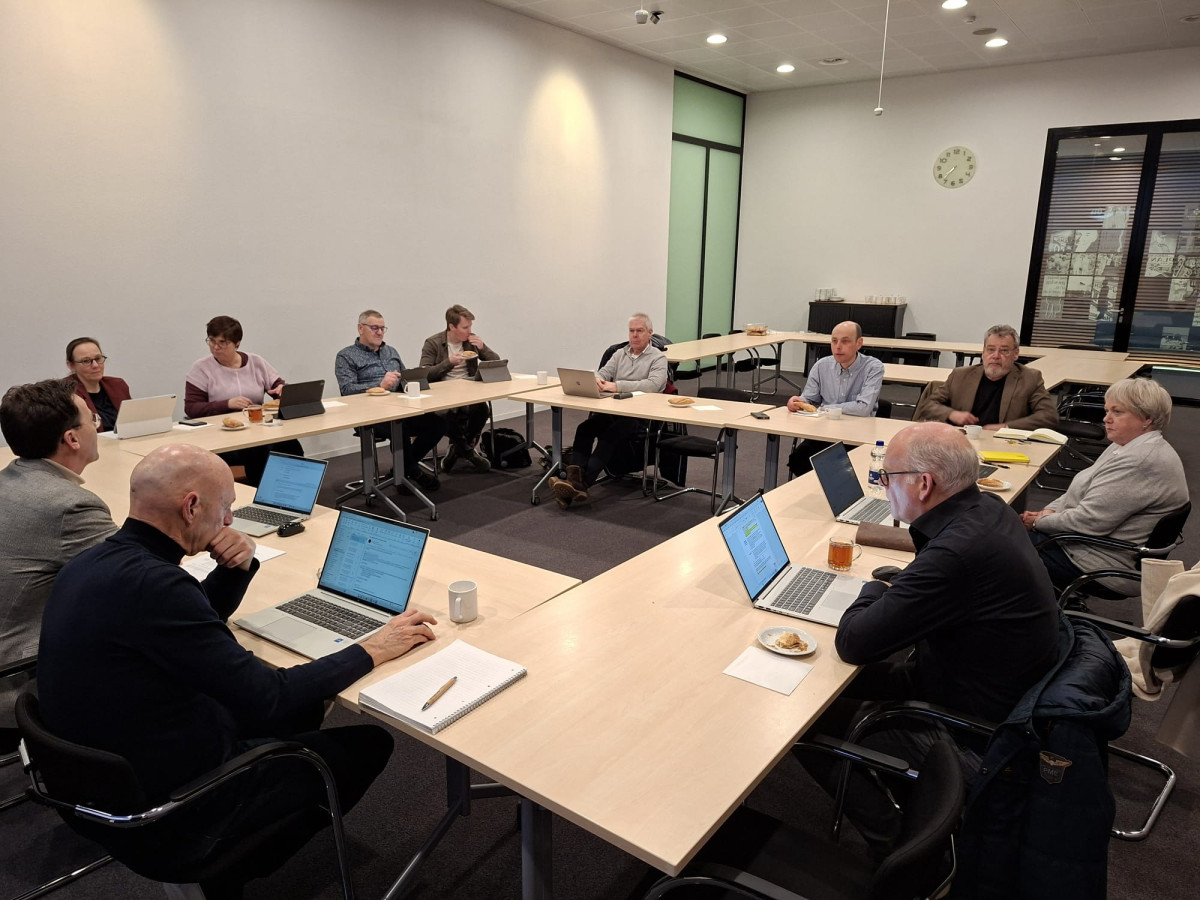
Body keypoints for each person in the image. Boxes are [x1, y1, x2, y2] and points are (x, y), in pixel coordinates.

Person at [37, 443, 438, 898]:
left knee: (301, 713)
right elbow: (271, 694)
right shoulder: (158, 584)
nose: (229, 521)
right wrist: (373, 648)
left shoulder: (95, 563)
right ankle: (228, 866)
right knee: (367, 743)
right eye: (226, 508)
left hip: (100, 783)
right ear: (191, 507)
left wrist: (237, 567)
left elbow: (185, 625)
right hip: (170, 810)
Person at [797, 422, 1060, 855]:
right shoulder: (988, 509)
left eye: (886, 477)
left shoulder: (958, 552)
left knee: (803, 718)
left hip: (970, 726)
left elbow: (854, 642)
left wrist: (875, 588)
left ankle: (898, 841)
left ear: (924, 484)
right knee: (821, 679)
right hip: (989, 686)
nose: (882, 487)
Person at [0, 379, 118, 727]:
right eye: (92, 420)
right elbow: (140, 578)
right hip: (19, 678)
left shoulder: (10, 479)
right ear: (72, 439)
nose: (97, 427)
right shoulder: (70, 505)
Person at [1022, 378, 1188, 595]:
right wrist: (1051, 511)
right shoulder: (1126, 444)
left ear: (1147, 418)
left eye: (1117, 412)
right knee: (1003, 531)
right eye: (1107, 410)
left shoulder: (1139, 460)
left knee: (998, 544)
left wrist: (1038, 523)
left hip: (1100, 561)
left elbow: (1089, 522)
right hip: (1091, 544)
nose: (1106, 419)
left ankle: (1028, 617)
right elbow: (1083, 486)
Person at [549, 313, 667, 509]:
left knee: (611, 434)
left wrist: (617, 386)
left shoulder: (658, 358)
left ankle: (582, 482)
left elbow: (654, 385)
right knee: (584, 428)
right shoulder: (620, 353)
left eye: (639, 331)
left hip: (639, 415)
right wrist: (597, 380)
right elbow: (603, 373)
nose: (635, 335)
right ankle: (574, 482)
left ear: (650, 333)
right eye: (632, 331)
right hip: (613, 409)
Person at [184, 315, 304, 487]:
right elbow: (192, 408)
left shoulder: (256, 362)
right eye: (211, 341)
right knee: (259, 451)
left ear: (237, 343)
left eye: (223, 342)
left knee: (291, 446)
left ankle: (294, 492)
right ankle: (261, 496)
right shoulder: (201, 368)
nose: (216, 347)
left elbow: (278, 387)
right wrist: (226, 404)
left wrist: (281, 391)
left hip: (257, 428)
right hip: (223, 434)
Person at [334, 309, 445, 493]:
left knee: (438, 424)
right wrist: (380, 385)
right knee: (400, 429)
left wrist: (413, 380)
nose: (379, 332)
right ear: (360, 328)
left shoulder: (390, 351)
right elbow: (347, 390)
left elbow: (404, 377)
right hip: (368, 415)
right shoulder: (346, 356)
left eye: (382, 328)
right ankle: (413, 472)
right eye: (374, 328)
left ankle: (402, 470)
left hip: (400, 408)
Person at [784, 320, 885, 476]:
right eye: (834, 341)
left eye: (845, 341)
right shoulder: (821, 365)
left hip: (857, 434)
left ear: (859, 343)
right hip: (825, 431)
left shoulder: (873, 367)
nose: (838, 347)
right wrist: (798, 402)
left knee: (847, 469)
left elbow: (864, 407)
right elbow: (809, 399)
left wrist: (824, 409)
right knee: (798, 460)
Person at [914, 324, 1058, 430]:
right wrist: (952, 414)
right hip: (961, 444)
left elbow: (1048, 416)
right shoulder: (960, 375)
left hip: (1003, 444)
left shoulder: (1030, 378)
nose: (995, 356)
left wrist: (1006, 427)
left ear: (1016, 354)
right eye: (990, 350)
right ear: (983, 352)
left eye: (1004, 351)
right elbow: (927, 405)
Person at [419, 304, 499, 474]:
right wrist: (449, 363)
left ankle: (457, 448)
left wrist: (483, 348)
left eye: (470, 326)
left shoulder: (471, 341)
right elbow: (424, 374)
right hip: (442, 393)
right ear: (451, 327)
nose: (469, 331)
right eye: (465, 327)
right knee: (444, 413)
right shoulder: (433, 343)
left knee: (482, 409)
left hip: (469, 389)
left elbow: (496, 361)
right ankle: (468, 451)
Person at [64, 336, 131, 432]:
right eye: (86, 361)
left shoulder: (118, 385)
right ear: (71, 366)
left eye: (98, 358)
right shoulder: (65, 392)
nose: (95, 365)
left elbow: (130, 423)